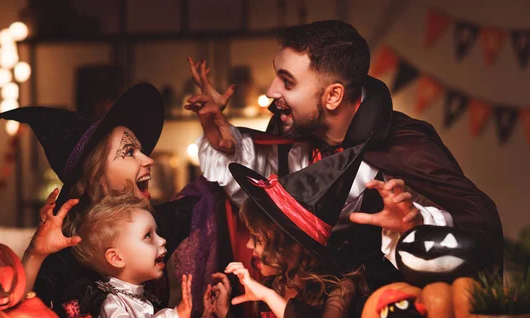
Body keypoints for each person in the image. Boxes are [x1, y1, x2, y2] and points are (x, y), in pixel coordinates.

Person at [186, 20, 503, 290]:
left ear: (333, 95)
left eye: (287, 81)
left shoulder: (406, 145)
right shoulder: (287, 134)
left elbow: (473, 226)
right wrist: (227, 145)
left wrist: (416, 224)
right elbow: (261, 205)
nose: (271, 91)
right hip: (297, 315)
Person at [0, 83, 228, 318]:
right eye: (130, 152)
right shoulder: (63, 249)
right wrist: (36, 254)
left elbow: (216, 190)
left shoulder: (156, 224)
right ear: (98, 180)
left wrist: (217, 130)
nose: (148, 159)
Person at [210, 138, 389, 318]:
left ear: (288, 245)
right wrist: (222, 310)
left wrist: (268, 297)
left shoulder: (340, 287)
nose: (249, 245)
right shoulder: (275, 284)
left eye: (257, 238)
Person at [35, 191, 218, 318]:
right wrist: (175, 316)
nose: (162, 240)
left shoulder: (141, 298)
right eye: (148, 236)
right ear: (116, 258)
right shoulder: (109, 304)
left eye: (157, 233)